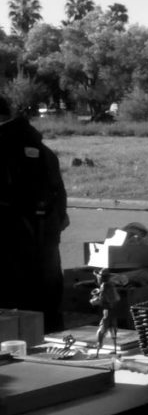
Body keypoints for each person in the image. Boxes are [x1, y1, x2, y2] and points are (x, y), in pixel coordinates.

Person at [0, 95, 69, 332]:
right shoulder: (41, 148)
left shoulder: (4, 147)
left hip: (11, 242)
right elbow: (60, 201)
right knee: (47, 304)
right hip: (45, 239)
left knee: (13, 312)